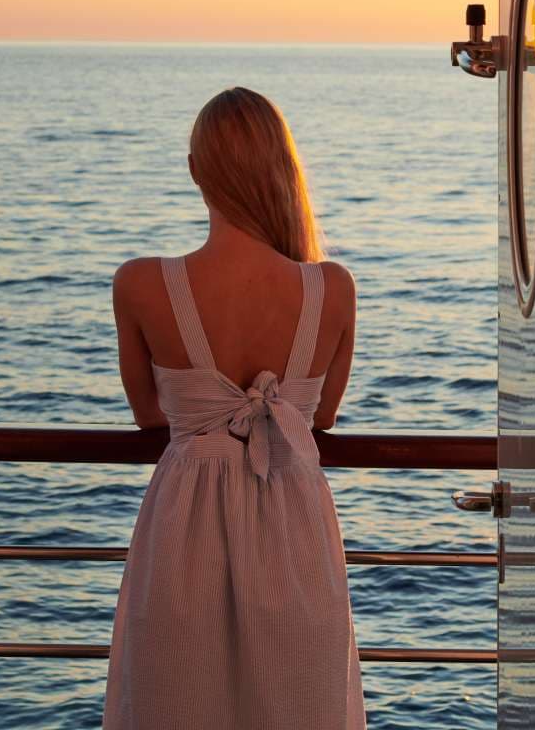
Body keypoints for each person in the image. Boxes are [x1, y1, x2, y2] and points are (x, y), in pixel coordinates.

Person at [103, 87, 365, 729]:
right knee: (301, 700)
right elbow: (322, 418)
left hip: (184, 535)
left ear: (196, 170)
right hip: (294, 533)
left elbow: (147, 415)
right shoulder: (331, 288)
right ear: (282, 167)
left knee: (176, 700)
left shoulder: (140, 284)